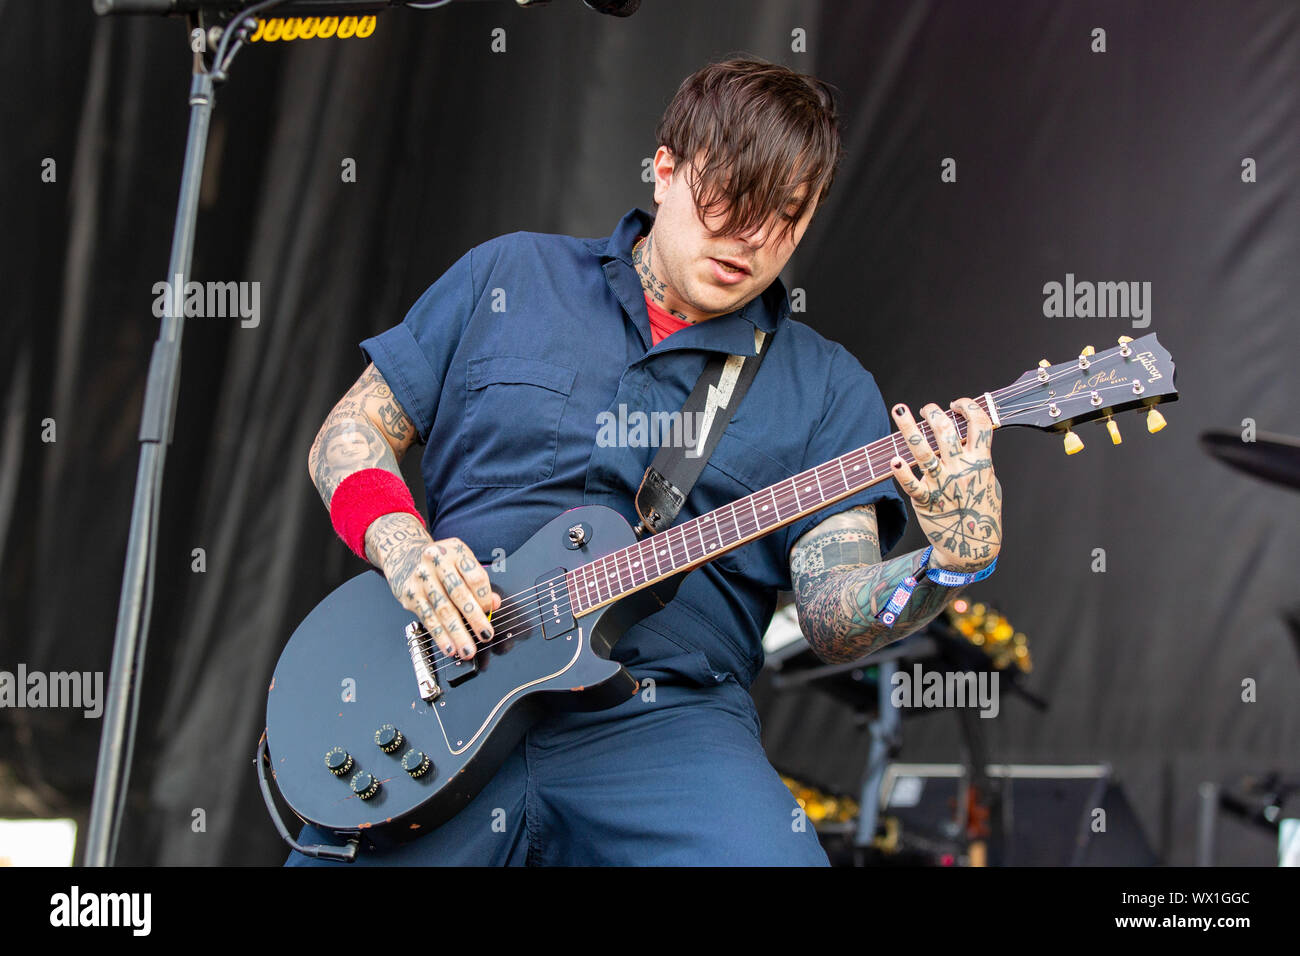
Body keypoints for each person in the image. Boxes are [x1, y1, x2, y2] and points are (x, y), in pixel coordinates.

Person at [288, 56, 1002, 866]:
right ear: (665, 170)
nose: (752, 237)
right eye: (731, 196)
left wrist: (949, 563)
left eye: (787, 216)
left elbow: (835, 616)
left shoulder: (827, 389)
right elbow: (347, 434)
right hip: (438, 689)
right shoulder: (509, 275)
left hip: (663, 726)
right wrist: (404, 548)